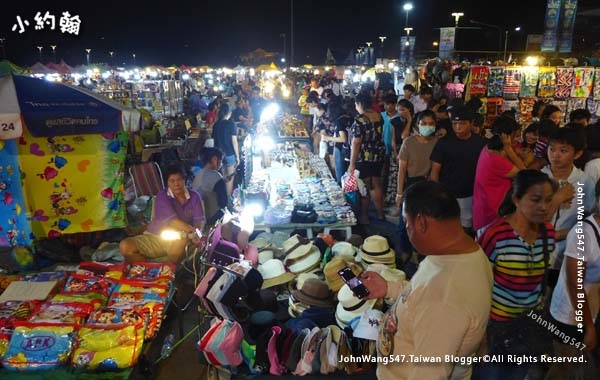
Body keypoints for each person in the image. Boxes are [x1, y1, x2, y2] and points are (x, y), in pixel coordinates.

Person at [361, 181, 493, 379]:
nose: (407, 229)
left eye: (407, 223)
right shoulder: (460, 251)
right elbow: (423, 293)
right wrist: (389, 288)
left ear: (421, 223)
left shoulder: (445, 299)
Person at [474, 170, 557, 380]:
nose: (544, 207)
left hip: (530, 323)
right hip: (497, 325)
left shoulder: (548, 233)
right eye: (536, 200)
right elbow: (477, 286)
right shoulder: (494, 235)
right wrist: (482, 338)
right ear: (517, 199)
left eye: (548, 200)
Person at [545, 178, 600, 379]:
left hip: (592, 309)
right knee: (564, 365)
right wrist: (588, 327)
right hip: (570, 314)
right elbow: (574, 283)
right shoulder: (583, 233)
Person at [120, 164, 205, 263]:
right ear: (167, 183)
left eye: (179, 180)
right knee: (125, 246)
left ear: (184, 180)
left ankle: (166, 273)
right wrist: (193, 232)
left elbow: (199, 220)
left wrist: (197, 234)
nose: (176, 184)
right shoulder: (162, 197)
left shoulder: (195, 196)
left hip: (180, 237)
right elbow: (172, 222)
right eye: (172, 181)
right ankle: (146, 271)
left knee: (179, 246)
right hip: (155, 236)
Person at [541, 125, 596, 271]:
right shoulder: (539, 178)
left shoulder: (584, 182)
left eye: (563, 150)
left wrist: (559, 234)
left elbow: (585, 222)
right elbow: (529, 218)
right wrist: (557, 199)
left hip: (566, 254)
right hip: (537, 251)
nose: (555, 155)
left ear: (577, 154)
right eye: (551, 149)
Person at [430, 105, 486, 234]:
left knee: (465, 229)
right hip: (447, 194)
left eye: (462, 123)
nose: (458, 127)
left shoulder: (480, 143)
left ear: (471, 123)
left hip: (470, 194)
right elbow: (435, 171)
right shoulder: (444, 142)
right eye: (455, 123)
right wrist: (436, 193)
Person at [472, 116, 526, 232]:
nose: (517, 139)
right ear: (505, 136)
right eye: (515, 136)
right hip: (492, 213)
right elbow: (525, 174)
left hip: (488, 209)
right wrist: (509, 149)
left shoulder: (488, 148)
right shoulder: (496, 159)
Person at [348, 92, 386, 222]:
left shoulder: (360, 120)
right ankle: (380, 213)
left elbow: (356, 142)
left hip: (364, 156)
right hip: (378, 155)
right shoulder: (379, 116)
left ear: (360, 104)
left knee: (364, 186)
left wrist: (352, 163)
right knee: (376, 184)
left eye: (356, 104)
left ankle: (364, 216)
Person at [192, 148, 228, 226]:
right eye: (221, 160)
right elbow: (224, 202)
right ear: (215, 159)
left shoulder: (198, 174)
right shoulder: (216, 176)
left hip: (197, 217)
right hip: (213, 218)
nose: (221, 164)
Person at [212, 103, 239, 199]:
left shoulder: (216, 125)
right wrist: (237, 156)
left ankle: (223, 200)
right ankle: (228, 200)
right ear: (229, 113)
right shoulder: (231, 124)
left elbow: (214, 140)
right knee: (230, 178)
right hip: (229, 154)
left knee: (223, 178)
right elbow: (234, 141)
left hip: (219, 156)